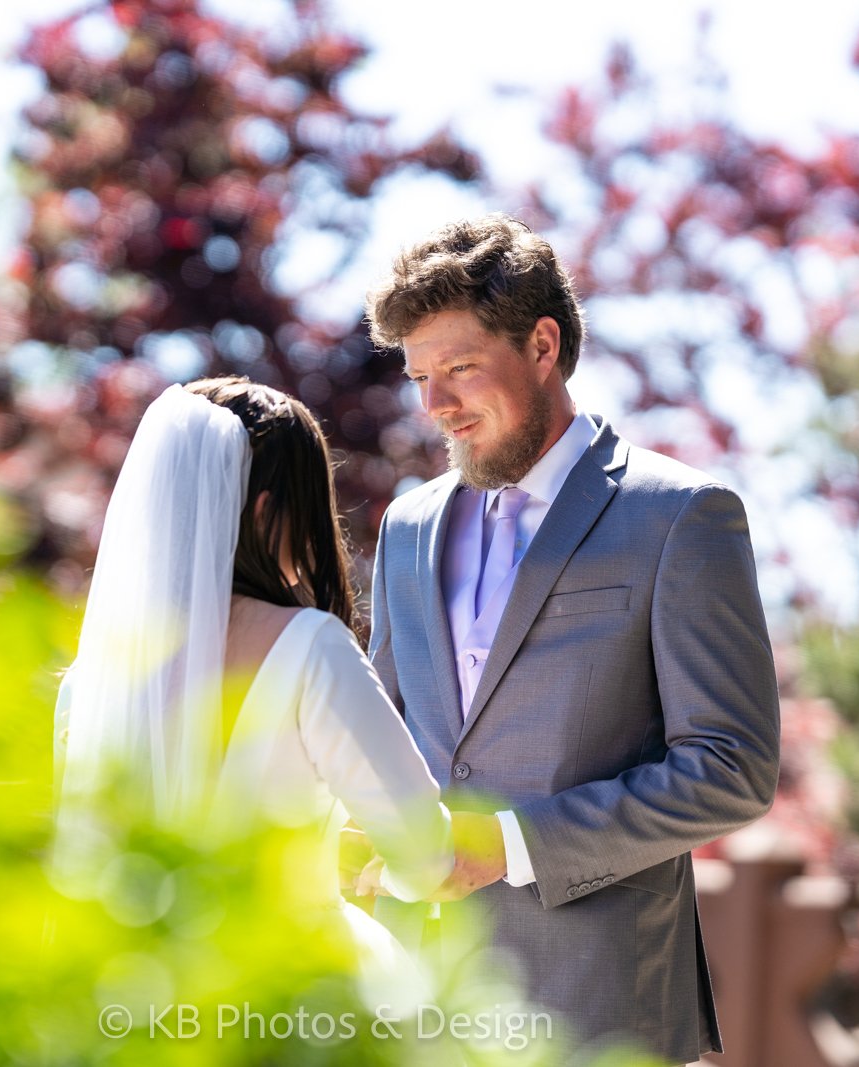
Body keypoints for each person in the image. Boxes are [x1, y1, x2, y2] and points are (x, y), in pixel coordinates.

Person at [361, 214, 781, 1065]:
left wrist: (514, 843)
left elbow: (732, 771)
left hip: (600, 1013)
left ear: (543, 345)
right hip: (417, 1004)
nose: (435, 406)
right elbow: (385, 736)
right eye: (419, 376)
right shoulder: (406, 529)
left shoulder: (679, 517)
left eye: (460, 368)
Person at [53, 376, 454, 977]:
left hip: (140, 991)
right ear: (268, 512)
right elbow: (425, 852)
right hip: (289, 984)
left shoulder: (88, 686)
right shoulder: (310, 647)